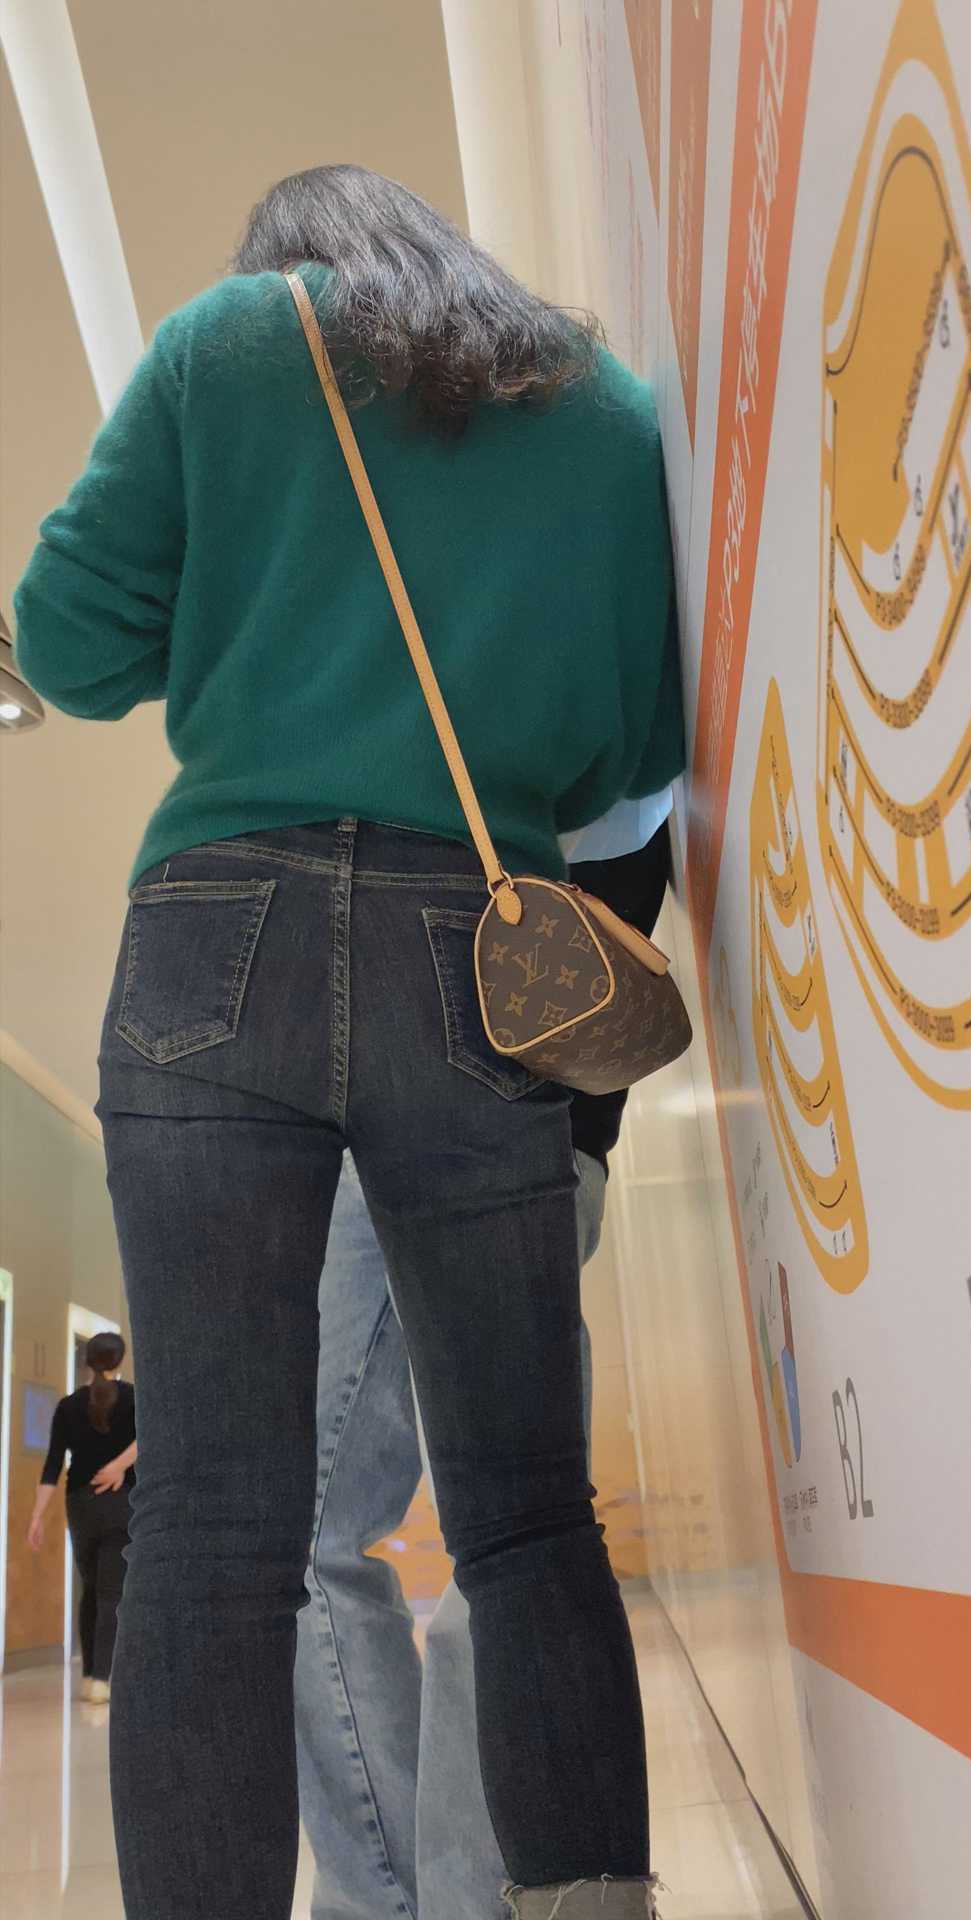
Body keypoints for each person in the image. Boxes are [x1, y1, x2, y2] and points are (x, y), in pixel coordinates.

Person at [14, 163, 682, 1920]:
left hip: (210, 939)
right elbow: (628, 750)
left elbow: (67, 646)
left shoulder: (229, 346)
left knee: (216, 1525)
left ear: (285, 264)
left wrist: (250, 600)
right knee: (525, 1509)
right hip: (475, 948)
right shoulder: (601, 409)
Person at [296, 824, 672, 1920]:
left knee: (503, 1542)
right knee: (342, 1542)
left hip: (509, 1113)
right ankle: (405, 1900)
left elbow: (628, 826)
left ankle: (455, 1902)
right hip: (413, 1129)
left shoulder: (565, 759)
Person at [28, 1331, 136, 1704]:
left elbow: (52, 1464)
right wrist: (119, 1467)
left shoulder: (68, 1406)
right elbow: (151, 1437)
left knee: (90, 1589)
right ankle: (102, 1679)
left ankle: (91, 1674)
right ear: (119, 1360)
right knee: (110, 1593)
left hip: (80, 1505)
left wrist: (37, 1516)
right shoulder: (133, 1399)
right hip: (121, 1504)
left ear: (88, 1362)